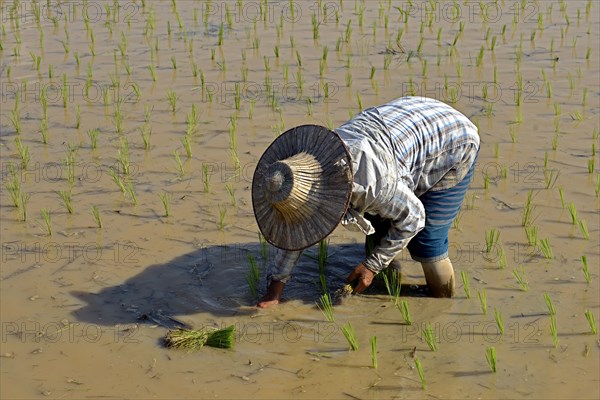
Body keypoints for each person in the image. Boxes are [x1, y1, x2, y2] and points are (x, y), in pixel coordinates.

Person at [251, 96, 480, 308]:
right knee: (380, 224)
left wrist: (371, 266)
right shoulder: (305, 161)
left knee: (427, 240)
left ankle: (441, 304)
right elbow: (297, 229)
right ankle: (383, 275)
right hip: (404, 122)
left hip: (454, 140)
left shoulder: (369, 184)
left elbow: (414, 217)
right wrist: (274, 292)